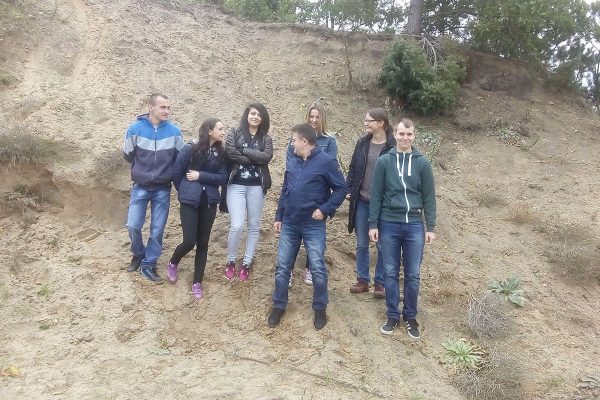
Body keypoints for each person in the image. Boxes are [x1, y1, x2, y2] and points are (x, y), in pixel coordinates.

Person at [267, 123, 347, 330]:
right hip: (290, 222)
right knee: (283, 267)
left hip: (313, 224)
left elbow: (341, 189)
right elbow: (285, 190)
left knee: (318, 267)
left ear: (304, 141)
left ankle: (320, 308)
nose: (291, 144)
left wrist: (325, 209)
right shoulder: (293, 161)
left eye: (293, 140)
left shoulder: (326, 162)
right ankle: (279, 305)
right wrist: (279, 216)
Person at [368, 118, 436, 339]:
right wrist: (373, 224)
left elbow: (429, 197)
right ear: (395, 135)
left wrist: (430, 226)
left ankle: (410, 316)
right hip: (389, 223)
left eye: (409, 134)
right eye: (401, 134)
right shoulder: (384, 161)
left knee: (413, 274)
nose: (405, 138)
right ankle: (392, 315)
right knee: (390, 272)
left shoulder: (422, 163)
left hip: (414, 224)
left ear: (414, 136)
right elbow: (376, 195)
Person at [123, 93, 184, 284]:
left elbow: (181, 158)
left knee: (157, 229)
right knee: (133, 225)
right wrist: (141, 170)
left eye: (168, 107)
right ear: (151, 107)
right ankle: (138, 253)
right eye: (162, 107)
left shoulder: (174, 132)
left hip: (162, 188)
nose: (166, 111)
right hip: (140, 186)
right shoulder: (135, 129)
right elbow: (128, 154)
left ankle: (149, 263)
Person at [167, 118, 228, 299]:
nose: (223, 132)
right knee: (189, 241)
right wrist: (185, 191)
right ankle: (173, 262)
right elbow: (176, 173)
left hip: (209, 203)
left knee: (203, 243)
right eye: (220, 129)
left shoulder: (220, 153)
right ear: (209, 131)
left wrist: (200, 175)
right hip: (189, 203)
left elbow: (223, 178)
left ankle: (197, 282)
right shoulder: (189, 148)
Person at [285, 101, 338, 286]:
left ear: (322, 119)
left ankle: (309, 268)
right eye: (311, 116)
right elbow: (290, 164)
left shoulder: (329, 141)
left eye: (317, 117)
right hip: (297, 191)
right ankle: (288, 270)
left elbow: (331, 165)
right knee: (291, 234)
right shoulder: (296, 139)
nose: (314, 120)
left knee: (314, 234)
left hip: (319, 193)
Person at [346, 108, 395, 298]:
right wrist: (348, 189)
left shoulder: (393, 146)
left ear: (381, 123)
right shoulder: (362, 143)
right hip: (362, 201)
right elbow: (353, 168)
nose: (365, 123)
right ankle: (362, 280)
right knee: (361, 243)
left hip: (384, 204)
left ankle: (380, 283)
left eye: (369, 120)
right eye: (365, 120)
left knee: (382, 244)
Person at [224, 103, 273, 282]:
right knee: (237, 225)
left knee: (253, 225)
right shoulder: (234, 132)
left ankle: (246, 263)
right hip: (236, 184)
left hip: (257, 187)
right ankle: (230, 260)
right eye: (253, 113)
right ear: (247, 115)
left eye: (259, 115)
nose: (255, 117)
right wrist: (253, 158)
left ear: (263, 119)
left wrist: (244, 151)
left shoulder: (266, 138)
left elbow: (266, 157)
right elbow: (230, 152)